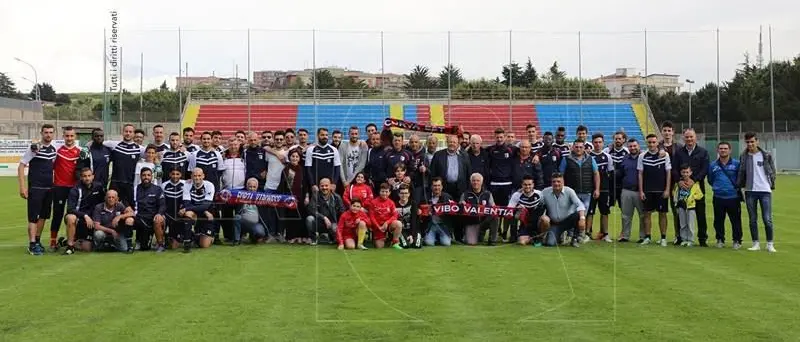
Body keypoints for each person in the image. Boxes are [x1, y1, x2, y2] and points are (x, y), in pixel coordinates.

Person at [19, 124, 57, 255]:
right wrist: (23, 187)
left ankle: (37, 240)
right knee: (33, 218)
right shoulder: (34, 148)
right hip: (35, 189)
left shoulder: (53, 149)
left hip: (49, 189)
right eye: (46, 132)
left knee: (44, 216)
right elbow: (21, 166)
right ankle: (32, 244)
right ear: (41, 133)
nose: (48, 135)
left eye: (51, 132)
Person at [737, 132, 777, 253]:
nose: (750, 144)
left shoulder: (766, 155)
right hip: (750, 191)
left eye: (752, 141)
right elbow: (741, 172)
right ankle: (756, 243)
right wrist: (741, 185)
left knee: (767, 219)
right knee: (752, 219)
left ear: (757, 141)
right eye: (748, 142)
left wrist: (771, 183)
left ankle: (770, 243)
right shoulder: (743, 156)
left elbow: (772, 171)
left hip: (765, 191)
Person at [672, 128, 709, 246]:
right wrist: (679, 181)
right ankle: (681, 238)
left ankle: (702, 239)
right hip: (682, 188)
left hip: (697, 188)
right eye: (687, 137)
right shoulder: (678, 152)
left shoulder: (703, 152)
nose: (689, 139)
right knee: (681, 214)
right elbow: (674, 169)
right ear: (683, 138)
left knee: (700, 214)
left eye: (691, 137)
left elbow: (705, 169)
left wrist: (695, 180)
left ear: (695, 137)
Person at [559, 139, 600, 241]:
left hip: (587, 192)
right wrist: (562, 189)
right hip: (572, 193)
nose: (578, 149)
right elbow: (561, 175)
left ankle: (579, 236)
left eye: (581, 147)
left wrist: (597, 189)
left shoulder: (590, 159)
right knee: (571, 215)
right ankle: (569, 235)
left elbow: (596, 174)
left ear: (584, 148)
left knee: (583, 216)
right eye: (576, 147)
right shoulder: (566, 159)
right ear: (573, 147)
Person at [49, 126, 81, 251]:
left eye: (71, 136)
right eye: (67, 136)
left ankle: (73, 240)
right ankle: (53, 241)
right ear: (63, 136)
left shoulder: (80, 152)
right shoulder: (57, 152)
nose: (69, 138)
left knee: (74, 215)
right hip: (59, 188)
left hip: (74, 189)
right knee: (57, 214)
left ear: (75, 137)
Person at [638, 134, 672, 246]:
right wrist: (641, 191)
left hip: (661, 190)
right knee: (647, 214)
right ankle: (647, 237)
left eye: (653, 142)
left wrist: (667, 189)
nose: (652, 144)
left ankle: (663, 238)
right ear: (646, 143)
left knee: (662, 214)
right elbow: (640, 174)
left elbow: (668, 173)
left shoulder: (664, 155)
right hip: (648, 190)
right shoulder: (642, 156)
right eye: (649, 142)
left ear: (657, 143)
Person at [708, 142, 743, 249]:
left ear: (730, 150)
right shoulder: (713, 165)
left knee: (735, 220)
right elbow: (710, 179)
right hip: (718, 197)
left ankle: (737, 240)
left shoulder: (737, 164)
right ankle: (720, 239)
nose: (723, 150)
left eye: (725, 148)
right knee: (718, 220)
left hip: (733, 197)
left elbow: (740, 178)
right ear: (717, 150)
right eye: (721, 148)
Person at [63, 167, 106, 254]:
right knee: (71, 218)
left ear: (93, 176)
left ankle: (65, 242)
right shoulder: (75, 190)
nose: (87, 178)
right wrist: (84, 216)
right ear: (81, 177)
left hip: (92, 219)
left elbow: (104, 202)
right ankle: (70, 246)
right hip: (79, 218)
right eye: (85, 176)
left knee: (88, 248)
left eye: (89, 176)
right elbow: (70, 209)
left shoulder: (99, 187)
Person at [486, 128, 517, 242]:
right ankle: (496, 230)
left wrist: (536, 155)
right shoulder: (490, 149)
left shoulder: (512, 149)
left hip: (507, 184)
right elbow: (475, 149)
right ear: (494, 137)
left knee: (507, 210)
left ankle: (505, 232)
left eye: (501, 137)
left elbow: (526, 150)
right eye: (497, 137)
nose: (499, 139)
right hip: (494, 184)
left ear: (504, 137)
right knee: (495, 209)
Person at [538, 173, 585, 248]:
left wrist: (582, 219)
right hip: (555, 223)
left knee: (577, 215)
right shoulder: (545, 192)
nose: (556, 183)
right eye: (554, 181)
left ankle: (575, 239)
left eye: (558, 181)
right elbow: (538, 200)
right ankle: (558, 236)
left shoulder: (569, 191)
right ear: (551, 183)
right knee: (550, 244)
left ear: (563, 182)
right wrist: (522, 191)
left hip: (567, 221)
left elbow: (580, 205)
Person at [103, 124, 144, 207]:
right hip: (115, 183)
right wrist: (86, 147)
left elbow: (153, 154)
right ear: (122, 132)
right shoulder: (114, 145)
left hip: (130, 184)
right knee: (111, 207)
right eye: (126, 131)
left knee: (129, 208)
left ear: (133, 134)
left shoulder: (140, 149)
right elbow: (98, 141)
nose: (128, 133)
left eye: (130, 132)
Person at [179, 168, 216, 249]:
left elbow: (205, 205)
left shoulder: (209, 185)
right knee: (188, 213)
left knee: (204, 245)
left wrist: (205, 211)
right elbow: (186, 203)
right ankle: (187, 241)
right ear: (191, 176)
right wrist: (188, 209)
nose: (197, 178)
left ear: (203, 176)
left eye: (199, 175)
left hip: (207, 213)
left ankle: (203, 236)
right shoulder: (187, 184)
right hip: (195, 212)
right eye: (195, 176)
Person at [588, 133, 614, 242]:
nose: (598, 144)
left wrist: (611, 191)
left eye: (600, 142)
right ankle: (587, 233)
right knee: (590, 212)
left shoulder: (607, 157)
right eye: (595, 142)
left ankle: (605, 234)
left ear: (603, 143)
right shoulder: (588, 157)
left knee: (604, 212)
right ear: (592, 143)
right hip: (591, 189)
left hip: (604, 189)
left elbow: (611, 173)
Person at [133, 167, 167, 252]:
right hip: (140, 218)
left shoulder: (157, 189)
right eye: (144, 175)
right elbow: (132, 204)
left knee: (158, 220)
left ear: (152, 176)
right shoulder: (135, 189)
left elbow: (163, 204)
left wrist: (159, 213)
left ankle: (160, 244)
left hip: (154, 217)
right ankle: (136, 241)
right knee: (144, 247)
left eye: (148, 175)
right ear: (140, 176)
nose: (146, 177)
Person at [278, 148, 308, 244]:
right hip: (289, 198)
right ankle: (291, 237)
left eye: (296, 156)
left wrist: (307, 196)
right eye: (293, 156)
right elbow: (284, 185)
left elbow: (306, 184)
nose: (294, 158)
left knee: (301, 217)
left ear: (299, 158)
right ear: (289, 157)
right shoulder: (286, 170)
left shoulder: (303, 169)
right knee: (291, 218)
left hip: (301, 197)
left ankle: (300, 236)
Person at [460, 173, 498, 246]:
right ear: (471, 182)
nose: (475, 182)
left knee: (494, 216)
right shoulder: (465, 194)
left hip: (483, 223)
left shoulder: (488, 194)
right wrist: (461, 205)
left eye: (478, 180)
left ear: (481, 182)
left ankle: (492, 240)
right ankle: (475, 235)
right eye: (473, 180)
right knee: (471, 243)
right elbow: (458, 210)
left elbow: (494, 208)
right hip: (471, 224)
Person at [429, 135, 470, 202]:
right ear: (447, 143)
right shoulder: (438, 155)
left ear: (458, 144)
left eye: (454, 142)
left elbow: (468, 173)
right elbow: (433, 172)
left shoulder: (464, 155)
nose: (452, 144)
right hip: (443, 188)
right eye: (450, 142)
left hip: (460, 188)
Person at [617, 139, 644, 242]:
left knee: (642, 215)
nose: (633, 148)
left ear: (639, 146)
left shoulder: (643, 157)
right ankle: (625, 236)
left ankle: (642, 236)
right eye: (631, 146)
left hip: (639, 190)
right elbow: (621, 172)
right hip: (626, 190)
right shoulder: (625, 158)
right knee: (625, 215)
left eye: (634, 146)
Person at [659, 121, 682, 241]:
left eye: (669, 130)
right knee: (662, 211)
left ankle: (678, 236)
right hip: (660, 183)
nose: (667, 133)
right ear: (661, 132)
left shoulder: (679, 147)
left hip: (675, 184)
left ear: (673, 132)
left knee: (676, 210)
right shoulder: (657, 146)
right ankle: (663, 237)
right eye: (665, 130)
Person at [220, 139, 247, 243]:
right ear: (228, 145)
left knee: (239, 215)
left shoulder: (244, 157)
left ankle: (239, 236)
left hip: (240, 190)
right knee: (226, 215)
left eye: (235, 144)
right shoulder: (223, 157)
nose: (233, 146)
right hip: (227, 191)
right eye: (231, 144)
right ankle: (228, 236)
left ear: (239, 145)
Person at [306, 178, 345, 245]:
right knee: (309, 219)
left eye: (326, 185)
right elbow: (311, 210)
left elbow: (342, 211)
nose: (324, 188)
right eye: (322, 186)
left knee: (335, 230)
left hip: (333, 223)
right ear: (319, 186)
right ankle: (314, 239)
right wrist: (324, 218)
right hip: (319, 222)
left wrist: (339, 225)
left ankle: (331, 238)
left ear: (330, 186)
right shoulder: (315, 196)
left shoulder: (336, 197)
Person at [508, 175, 544, 246]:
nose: (527, 186)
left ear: (533, 185)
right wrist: (517, 209)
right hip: (525, 223)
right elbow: (509, 210)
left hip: (537, 223)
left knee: (545, 219)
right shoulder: (517, 195)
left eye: (529, 184)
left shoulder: (540, 194)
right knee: (521, 242)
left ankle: (540, 236)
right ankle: (515, 236)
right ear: (522, 185)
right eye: (525, 184)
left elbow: (544, 206)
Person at [161, 167, 192, 252]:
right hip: (169, 216)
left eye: (177, 174)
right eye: (173, 174)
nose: (175, 176)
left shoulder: (186, 184)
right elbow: (162, 201)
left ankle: (189, 238)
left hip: (181, 215)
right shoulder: (164, 185)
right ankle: (163, 240)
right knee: (173, 246)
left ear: (181, 175)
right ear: (169, 174)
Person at [673, 164, 704, 247]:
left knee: (690, 224)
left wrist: (692, 197)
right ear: (681, 173)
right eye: (683, 172)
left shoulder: (695, 184)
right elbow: (675, 193)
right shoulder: (679, 184)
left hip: (690, 207)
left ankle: (690, 240)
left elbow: (700, 195)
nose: (685, 174)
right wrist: (676, 202)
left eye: (687, 172)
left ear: (690, 173)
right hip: (681, 206)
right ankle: (684, 239)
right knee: (683, 224)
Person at [369, 183, 404, 249]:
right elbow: (371, 217)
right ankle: (385, 239)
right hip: (378, 227)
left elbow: (395, 215)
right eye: (382, 191)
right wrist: (378, 226)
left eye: (386, 192)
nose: (384, 193)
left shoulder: (391, 202)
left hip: (388, 225)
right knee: (380, 247)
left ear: (389, 193)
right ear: (379, 192)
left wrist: (386, 223)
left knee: (398, 224)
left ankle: (395, 242)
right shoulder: (373, 202)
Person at [424, 177, 455, 247]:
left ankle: (439, 238)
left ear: (442, 187)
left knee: (446, 243)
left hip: (443, 225)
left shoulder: (447, 197)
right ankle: (433, 237)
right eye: (435, 185)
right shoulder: (426, 197)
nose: (437, 188)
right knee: (429, 243)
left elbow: (453, 213)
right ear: (431, 187)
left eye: (438, 185)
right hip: (431, 225)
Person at [235, 178, 268, 244]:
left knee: (260, 233)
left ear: (257, 187)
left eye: (254, 187)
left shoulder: (261, 198)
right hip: (243, 222)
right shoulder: (240, 196)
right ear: (247, 187)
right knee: (236, 217)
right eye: (250, 186)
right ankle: (237, 240)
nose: (252, 189)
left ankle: (253, 237)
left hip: (256, 224)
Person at [339, 126, 368, 194]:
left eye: (356, 134)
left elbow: (362, 165)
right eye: (352, 134)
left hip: (357, 181)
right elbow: (340, 164)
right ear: (349, 134)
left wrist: (349, 181)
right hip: (344, 181)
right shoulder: (343, 145)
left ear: (359, 135)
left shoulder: (363, 146)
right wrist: (344, 181)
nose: (354, 136)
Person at [604, 131, 629, 208]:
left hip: (623, 185)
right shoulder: (607, 151)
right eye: (616, 139)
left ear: (624, 140)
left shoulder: (627, 151)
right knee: (606, 210)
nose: (617, 140)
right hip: (610, 184)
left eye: (619, 139)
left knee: (624, 208)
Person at [395, 184, 422, 248]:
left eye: (406, 193)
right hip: (402, 230)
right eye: (402, 193)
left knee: (417, 246)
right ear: (399, 194)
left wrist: (411, 235)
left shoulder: (413, 203)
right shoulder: (395, 204)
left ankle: (418, 238)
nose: (404, 195)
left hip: (413, 229)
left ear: (409, 194)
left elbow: (414, 220)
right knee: (406, 245)